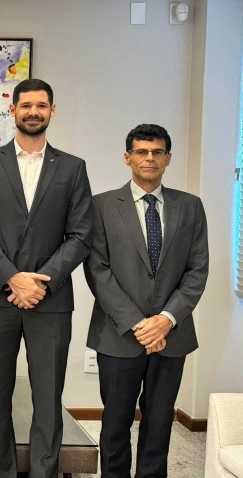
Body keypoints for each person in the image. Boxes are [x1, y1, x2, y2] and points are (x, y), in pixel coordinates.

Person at [0, 78, 93, 478]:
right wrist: (12, 278)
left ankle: (44, 472)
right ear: (13, 110)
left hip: (50, 301)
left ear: (52, 111)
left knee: (48, 396)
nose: (33, 112)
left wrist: (40, 281)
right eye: (26, 105)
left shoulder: (72, 167)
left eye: (41, 105)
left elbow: (81, 235)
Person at [84, 124, 208, 478]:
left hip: (172, 335)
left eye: (157, 152)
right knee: (115, 422)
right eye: (141, 152)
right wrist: (140, 324)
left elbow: (197, 269)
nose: (149, 158)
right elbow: (97, 270)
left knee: (160, 421)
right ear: (128, 158)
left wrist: (166, 318)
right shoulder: (101, 205)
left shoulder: (190, 206)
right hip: (119, 334)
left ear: (168, 158)